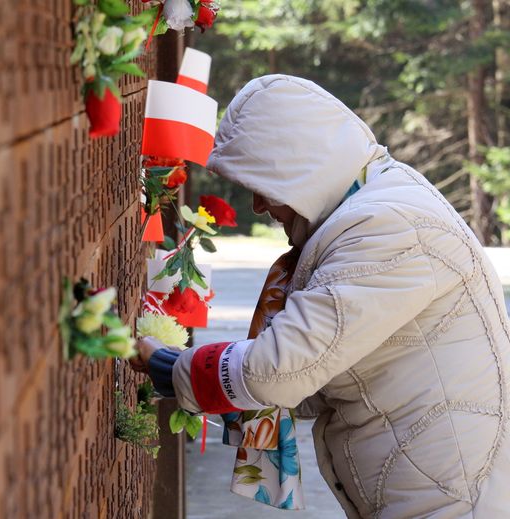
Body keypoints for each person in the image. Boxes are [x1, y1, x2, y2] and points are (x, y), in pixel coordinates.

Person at [130, 75, 510, 518]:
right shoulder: (377, 201)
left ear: (295, 168)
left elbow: (283, 372)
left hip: (449, 496)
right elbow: (318, 378)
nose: (257, 206)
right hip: (434, 484)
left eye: (260, 183)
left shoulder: (386, 227)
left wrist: (170, 366)